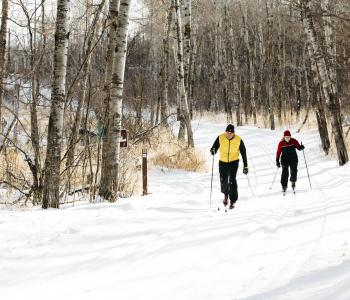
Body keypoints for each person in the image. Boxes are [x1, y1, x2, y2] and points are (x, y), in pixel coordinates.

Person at [210, 124, 248, 209]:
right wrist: (213, 150)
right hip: (223, 162)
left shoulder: (238, 139)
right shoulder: (220, 137)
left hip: (233, 162)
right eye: (228, 132)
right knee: (223, 180)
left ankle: (233, 201)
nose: (229, 134)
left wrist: (245, 166)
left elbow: (243, 153)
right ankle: (226, 194)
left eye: (231, 132)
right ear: (225, 132)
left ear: (234, 133)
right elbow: (214, 147)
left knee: (232, 180)